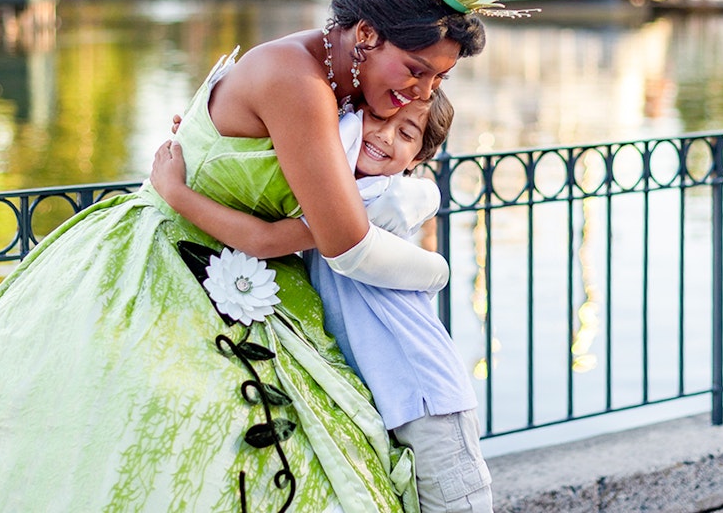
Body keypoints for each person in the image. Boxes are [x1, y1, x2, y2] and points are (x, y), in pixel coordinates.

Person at [0, 0, 496, 513]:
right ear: (365, 32)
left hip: (232, 266)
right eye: (416, 71)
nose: (421, 92)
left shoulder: (341, 82)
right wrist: (436, 271)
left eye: (436, 82)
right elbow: (348, 244)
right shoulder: (299, 82)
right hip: (170, 266)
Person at [155, 89, 491, 512]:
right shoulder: (328, 183)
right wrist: (209, 141)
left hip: (423, 391)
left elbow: (265, 239)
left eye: (405, 133)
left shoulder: (371, 199)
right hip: (378, 391)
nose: (385, 136)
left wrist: (176, 192)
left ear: (417, 158)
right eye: (378, 118)